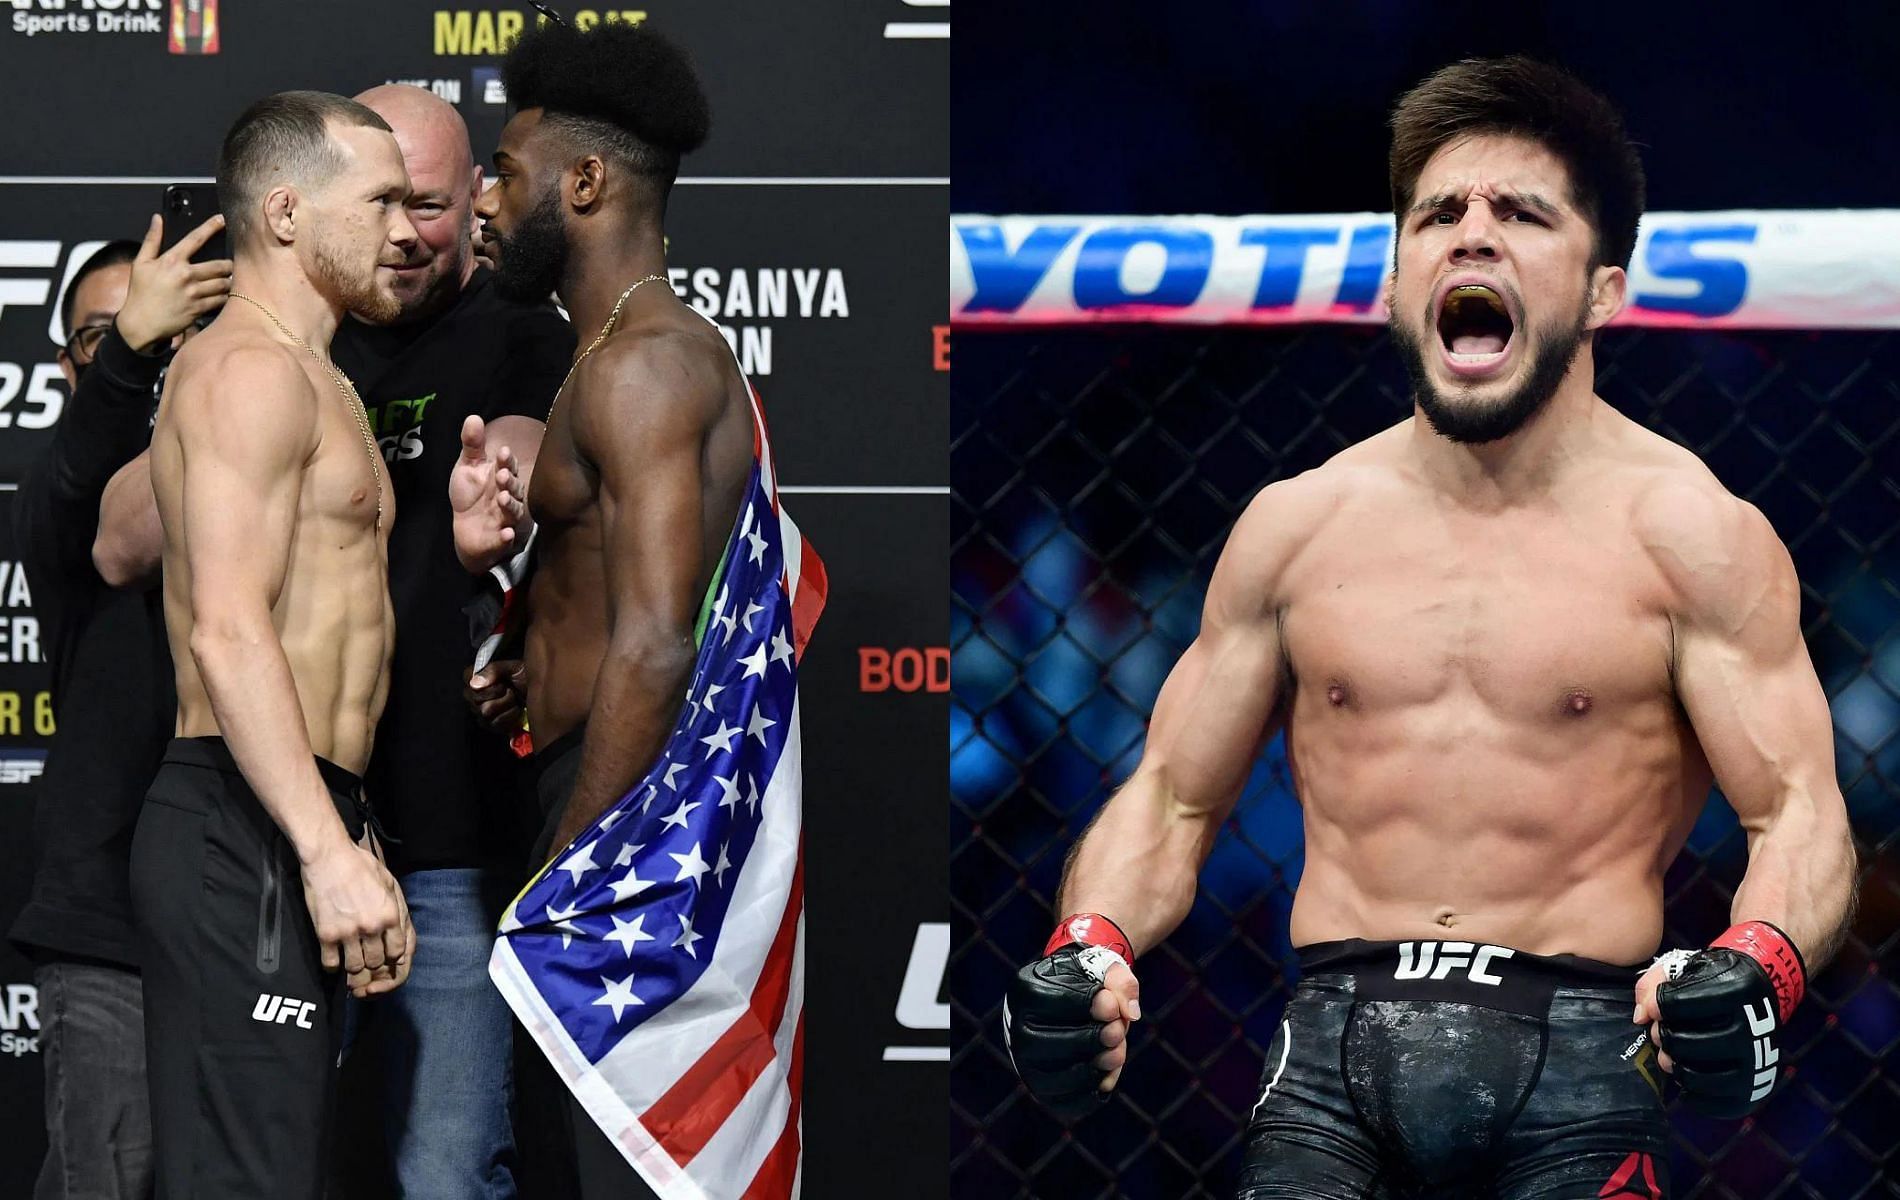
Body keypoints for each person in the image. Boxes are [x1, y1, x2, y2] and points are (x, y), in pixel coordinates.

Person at [1003, 56, 1857, 1199]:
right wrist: (1086, 951)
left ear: (1602, 288)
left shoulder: (1692, 535)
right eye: (1438, 214)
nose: (1471, 236)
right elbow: (1171, 794)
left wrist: (1757, 965)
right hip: (1328, 1062)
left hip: (1583, 1057)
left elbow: (1799, 812)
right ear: (1397, 280)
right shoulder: (1296, 528)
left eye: (1519, 213)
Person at [448, 20, 751, 1198]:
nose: (482, 200)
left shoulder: (643, 366)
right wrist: (528, 647)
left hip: (621, 832)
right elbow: (605, 596)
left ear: (583, 183)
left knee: (616, 1168)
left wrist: (572, 856)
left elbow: (655, 637)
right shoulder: (608, 355)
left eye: (506, 174)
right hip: (595, 795)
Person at [129, 90, 418, 1200]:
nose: (408, 229)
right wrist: (322, 849)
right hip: (240, 827)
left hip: (294, 811)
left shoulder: (320, 377)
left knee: (282, 1171)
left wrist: (345, 833)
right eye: (381, 200)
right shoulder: (248, 373)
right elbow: (228, 627)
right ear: (289, 211)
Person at [331, 83, 570, 1200]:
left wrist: (500, 499)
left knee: (445, 1170)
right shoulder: (296, 340)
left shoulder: (523, 333)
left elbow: (521, 441)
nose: (401, 232)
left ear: (476, 196)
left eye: (427, 203)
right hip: (292, 834)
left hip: (449, 842)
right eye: (377, 202)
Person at [8, 219, 227, 1200]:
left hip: (246, 912)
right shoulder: (65, 505)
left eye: (175, 328)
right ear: (67, 370)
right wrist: (134, 352)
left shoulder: (264, 470)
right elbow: (76, 489)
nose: (146, 350)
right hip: (109, 930)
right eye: (108, 336)